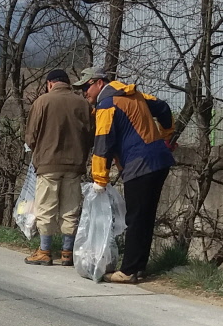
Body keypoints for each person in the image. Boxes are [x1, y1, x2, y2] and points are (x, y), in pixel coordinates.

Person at [89, 70, 176, 284]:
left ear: (99, 83)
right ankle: (139, 268)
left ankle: (128, 271)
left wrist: (100, 179)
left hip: (140, 164)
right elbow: (163, 108)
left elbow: (103, 143)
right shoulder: (134, 95)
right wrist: (167, 135)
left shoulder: (107, 105)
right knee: (145, 216)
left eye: (85, 87)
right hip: (160, 160)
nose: (84, 93)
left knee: (135, 218)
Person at [23, 69, 92, 266]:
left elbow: (31, 136)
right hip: (75, 165)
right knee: (70, 209)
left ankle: (45, 251)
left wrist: (38, 151)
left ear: (50, 83)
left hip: (48, 164)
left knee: (46, 207)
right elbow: (90, 134)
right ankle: (67, 253)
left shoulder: (43, 101)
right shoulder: (83, 103)